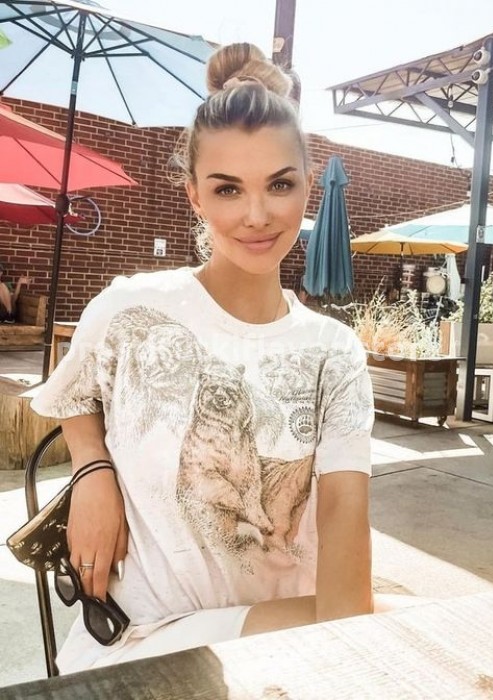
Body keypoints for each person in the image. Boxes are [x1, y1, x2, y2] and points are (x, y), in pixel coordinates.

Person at [31, 42, 376, 673]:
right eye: (227, 189)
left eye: (280, 184)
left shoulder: (334, 352)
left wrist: (344, 651)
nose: (256, 215)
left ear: (308, 187)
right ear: (194, 195)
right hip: (143, 638)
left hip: (280, 639)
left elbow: (344, 518)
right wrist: (91, 469)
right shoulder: (131, 309)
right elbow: (74, 392)